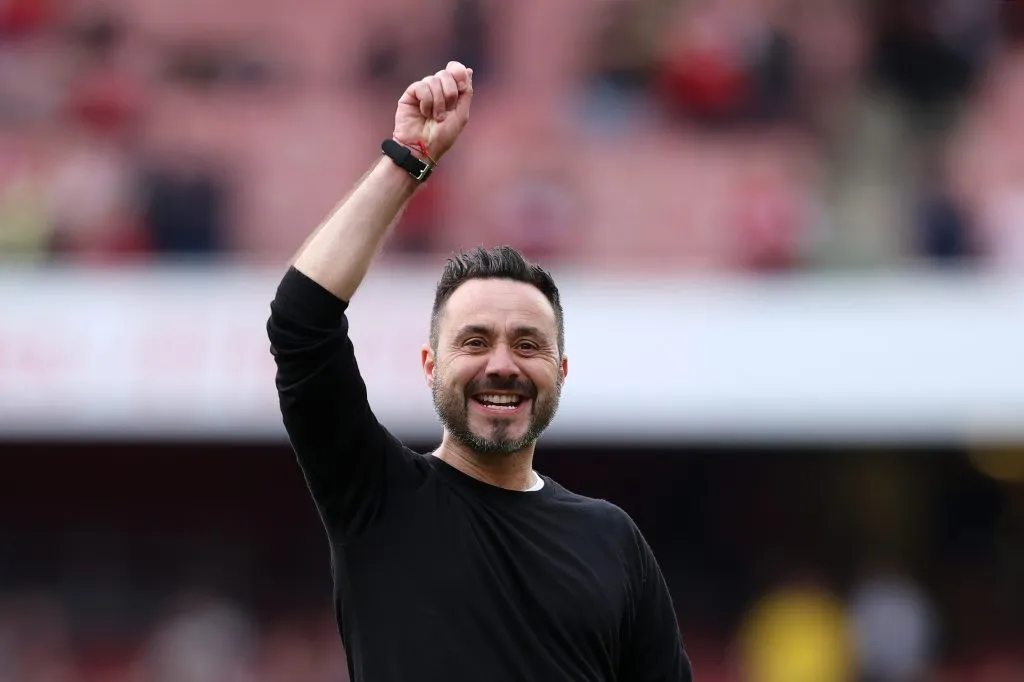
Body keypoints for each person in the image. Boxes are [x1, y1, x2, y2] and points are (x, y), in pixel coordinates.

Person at [266, 60, 692, 682]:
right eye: (475, 341)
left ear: (561, 370)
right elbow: (301, 321)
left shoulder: (614, 543)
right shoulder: (377, 498)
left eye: (527, 344)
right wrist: (408, 158)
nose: (502, 366)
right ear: (430, 365)